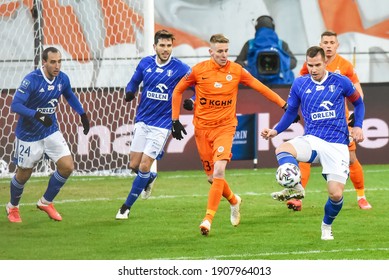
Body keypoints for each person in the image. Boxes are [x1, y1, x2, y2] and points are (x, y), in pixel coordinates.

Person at [171, 33, 289, 236]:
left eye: (226, 51)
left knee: (219, 171)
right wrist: (175, 119)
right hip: (202, 129)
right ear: (211, 52)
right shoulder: (198, 71)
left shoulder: (236, 71)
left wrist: (284, 105)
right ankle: (234, 200)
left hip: (225, 128)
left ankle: (208, 219)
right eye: (220, 52)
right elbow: (177, 91)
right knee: (211, 177)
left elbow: (261, 88)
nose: (224, 55)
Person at [261, 46, 365, 240]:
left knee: (335, 195)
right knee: (283, 149)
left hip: (337, 144)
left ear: (325, 62)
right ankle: (296, 186)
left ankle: (326, 225)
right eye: (310, 65)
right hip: (313, 139)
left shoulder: (340, 81)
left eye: (317, 65)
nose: (314, 69)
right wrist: (275, 130)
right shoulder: (300, 83)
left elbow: (358, 103)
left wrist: (358, 126)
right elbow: (291, 111)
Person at [287, 30, 372, 211]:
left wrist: (356, 120)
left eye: (331, 42)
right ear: (320, 43)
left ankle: (361, 196)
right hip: (317, 121)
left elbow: (358, 93)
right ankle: (298, 196)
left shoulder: (346, 66)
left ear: (337, 45)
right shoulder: (310, 65)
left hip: (340, 122)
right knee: (305, 157)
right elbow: (301, 85)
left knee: (351, 158)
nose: (328, 45)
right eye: (325, 42)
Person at [6, 47, 90, 223]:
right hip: (29, 135)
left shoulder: (62, 79)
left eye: (59, 61)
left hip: (50, 131)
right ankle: (13, 207)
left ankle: (46, 202)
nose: (57, 65)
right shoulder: (32, 80)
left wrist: (82, 114)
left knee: (67, 166)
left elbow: (70, 96)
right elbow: (16, 105)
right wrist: (37, 114)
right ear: (44, 62)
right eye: (53, 62)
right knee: (23, 175)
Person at [115, 30, 191, 220]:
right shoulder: (145, 63)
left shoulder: (180, 68)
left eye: (169, 46)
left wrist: (194, 101)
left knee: (144, 164)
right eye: (162, 46)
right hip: (143, 119)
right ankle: (149, 178)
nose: (166, 50)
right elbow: (133, 82)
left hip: (163, 123)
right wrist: (129, 92)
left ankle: (125, 208)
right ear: (155, 46)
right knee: (134, 164)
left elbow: (198, 84)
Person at [235, 15, 297, 86]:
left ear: (256, 28)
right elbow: (293, 62)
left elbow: (237, 63)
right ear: (273, 27)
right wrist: (280, 63)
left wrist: (247, 65)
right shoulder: (281, 44)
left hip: (254, 86)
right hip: (280, 85)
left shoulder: (250, 44)